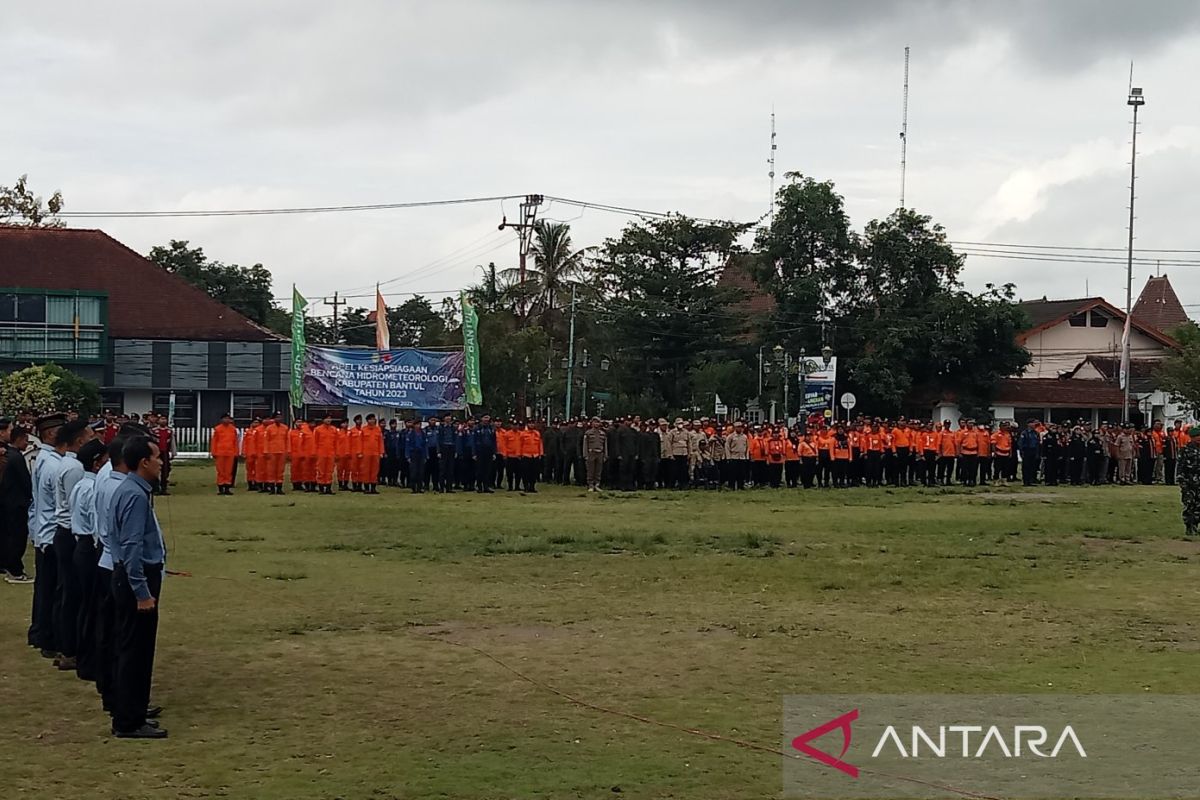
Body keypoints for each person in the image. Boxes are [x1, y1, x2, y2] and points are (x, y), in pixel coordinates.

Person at [109, 436, 168, 739]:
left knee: (136, 649)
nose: (161, 462)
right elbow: (131, 547)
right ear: (144, 462)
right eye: (157, 457)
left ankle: (133, 709)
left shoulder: (132, 489)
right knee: (135, 651)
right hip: (137, 579)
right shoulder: (133, 494)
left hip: (137, 574)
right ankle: (128, 721)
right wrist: (142, 592)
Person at [52, 418, 94, 672]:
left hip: (64, 532)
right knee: (73, 595)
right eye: (89, 438)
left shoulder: (65, 463)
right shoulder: (75, 468)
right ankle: (69, 649)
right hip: (70, 534)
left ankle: (64, 646)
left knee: (67, 593)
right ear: (80, 441)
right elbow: (76, 506)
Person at [70, 438, 108, 682]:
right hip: (89, 546)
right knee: (93, 608)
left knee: (85, 606)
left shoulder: (80, 485)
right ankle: (89, 661)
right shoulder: (92, 488)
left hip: (80, 545)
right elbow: (96, 525)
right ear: (96, 463)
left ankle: (84, 658)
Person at [1, 425, 33, 582]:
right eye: (26, 440)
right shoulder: (16, 457)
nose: (27, 444)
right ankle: (15, 571)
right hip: (16, 504)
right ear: (19, 439)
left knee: (11, 536)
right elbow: (25, 481)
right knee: (18, 537)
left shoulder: (9, 455)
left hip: (9, 502)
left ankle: (11, 568)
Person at [1178, 425, 1200, 537]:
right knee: (1189, 504)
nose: (1199, 438)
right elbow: (1181, 466)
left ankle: (1195, 526)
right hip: (1189, 481)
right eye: (1196, 436)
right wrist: (1182, 481)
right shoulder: (1185, 449)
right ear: (1191, 437)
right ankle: (1189, 526)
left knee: (1198, 505)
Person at [210, 413, 239, 495]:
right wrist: (213, 452)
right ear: (221, 420)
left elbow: (235, 442)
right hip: (220, 453)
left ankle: (227, 487)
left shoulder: (233, 429)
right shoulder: (217, 429)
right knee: (221, 471)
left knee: (228, 471)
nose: (227, 420)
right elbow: (214, 441)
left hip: (230, 453)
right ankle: (220, 488)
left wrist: (236, 452)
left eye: (228, 418)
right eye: (225, 418)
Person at [313, 416, 338, 494]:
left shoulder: (334, 430)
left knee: (329, 471)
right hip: (321, 453)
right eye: (327, 418)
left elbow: (336, 442)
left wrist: (336, 453)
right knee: (321, 470)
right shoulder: (318, 429)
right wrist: (315, 453)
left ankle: (328, 488)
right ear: (323, 420)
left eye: (330, 418)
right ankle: (321, 488)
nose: (328, 420)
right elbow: (315, 442)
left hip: (331, 453)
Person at [518, 420, 543, 493]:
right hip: (526, 455)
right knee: (525, 472)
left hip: (535, 456)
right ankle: (526, 486)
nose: (531, 425)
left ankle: (532, 487)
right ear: (527, 424)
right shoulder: (523, 434)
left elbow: (540, 444)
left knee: (534, 472)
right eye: (530, 423)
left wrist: (540, 453)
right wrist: (519, 454)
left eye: (532, 423)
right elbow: (519, 444)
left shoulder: (537, 433)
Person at [583, 417, 607, 492]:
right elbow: (585, 445)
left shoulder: (603, 433)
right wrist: (585, 455)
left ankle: (597, 485)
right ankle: (590, 485)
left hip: (600, 453)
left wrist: (605, 455)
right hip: (591, 453)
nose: (596, 424)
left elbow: (605, 445)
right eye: (595, 422)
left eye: (597, 422)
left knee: (598, 471)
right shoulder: (588, 433)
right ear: (592, 423)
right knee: (590, 470)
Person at [361, 414, 384, 494]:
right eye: (370, 419)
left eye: (373, 419)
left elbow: (380, 442)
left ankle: (373, 488)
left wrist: (381, 452)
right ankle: (367, 488)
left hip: (375, 453)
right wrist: (360, 452)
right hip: (366, 453)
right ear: (367, 421)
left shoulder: (378, 430)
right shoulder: (363, 429)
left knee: (375, 471)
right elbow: (360, 442)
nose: (372, 421)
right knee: (366, 470)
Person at [404, 420, 428, 494]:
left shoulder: (423, 433)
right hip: (413, 453)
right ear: (414, 425)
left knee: (421, 472)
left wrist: (426, 456)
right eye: (416, 424)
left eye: (419, 424)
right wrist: (407, 456)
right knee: (413, 472)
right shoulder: (410, 434)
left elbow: (425, 445)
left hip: (421, 454)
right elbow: (407, 445)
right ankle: (413, 488)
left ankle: (420, 488)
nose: (418, 426)